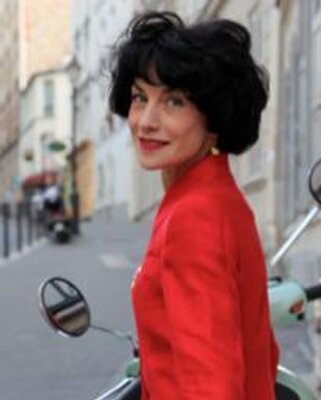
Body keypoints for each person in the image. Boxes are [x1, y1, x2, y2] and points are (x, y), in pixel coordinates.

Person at [109, 11, 279, 399]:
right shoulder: (217, 198)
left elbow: (210, 385)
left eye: (174, 101)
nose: (146, 121)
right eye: (140, 97)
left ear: (214, 117)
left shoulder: (195, 215)